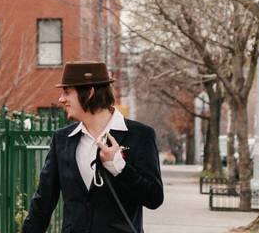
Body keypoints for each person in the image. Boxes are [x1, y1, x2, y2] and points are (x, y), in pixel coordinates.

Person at [22, 61, 164, 233]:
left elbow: (154, 198)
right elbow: (43, 202)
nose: (61, 99)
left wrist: (120, 167)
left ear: (89, 93)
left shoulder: (140, 136)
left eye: (67, 92)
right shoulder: (62, 139)